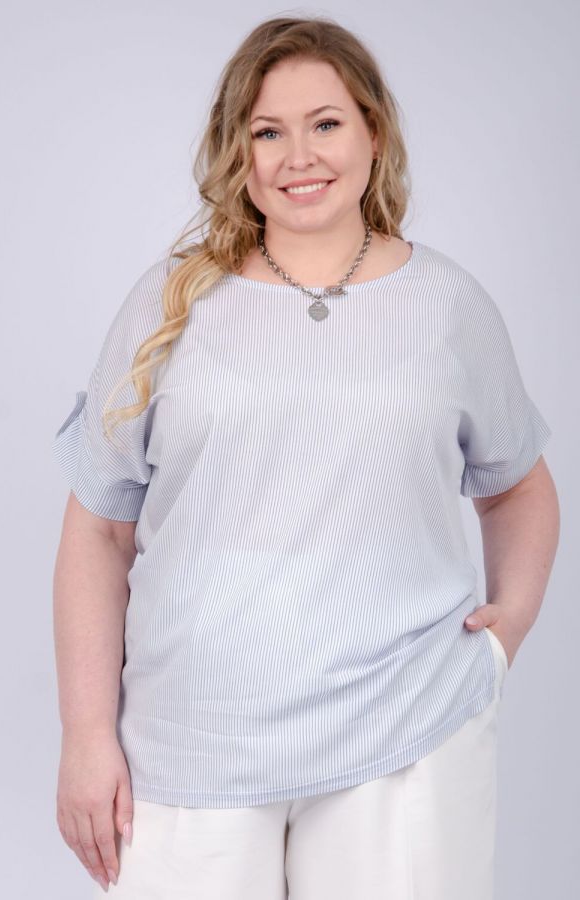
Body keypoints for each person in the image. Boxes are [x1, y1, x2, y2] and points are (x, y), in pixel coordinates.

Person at [52, 14, 559, 900]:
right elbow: (99, 529)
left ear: (374, 133)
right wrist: (87, 736)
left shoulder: (447, 306)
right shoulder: (170, 303)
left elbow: (517, 485)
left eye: (326, 123)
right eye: (267, 132)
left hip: (405, 730)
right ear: (238, 152)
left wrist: (506, 631)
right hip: (193, 737)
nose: (299, 157)